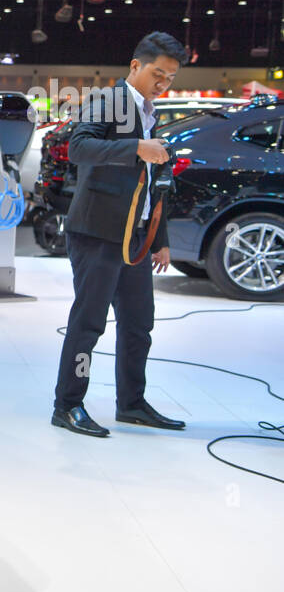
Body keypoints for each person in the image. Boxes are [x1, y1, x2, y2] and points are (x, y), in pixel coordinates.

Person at [53, 31, 189, 437]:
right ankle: (68, 404)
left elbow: (152, 182)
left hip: (135, 236)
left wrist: (159, 237)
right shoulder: (110, 100)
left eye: (170, 78)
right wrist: (135, 148)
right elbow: (79, 148)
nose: (163, 84)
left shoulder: (148, 112)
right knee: (89, 322)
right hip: (96, 231)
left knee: (138, 324)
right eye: (157, 74)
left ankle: (131, 403)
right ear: (135, 66)